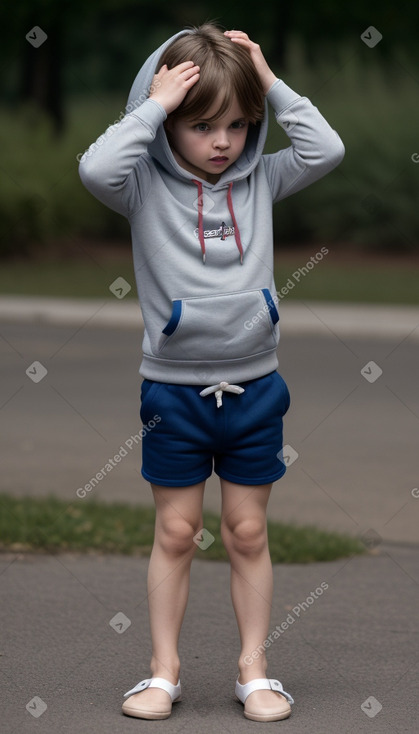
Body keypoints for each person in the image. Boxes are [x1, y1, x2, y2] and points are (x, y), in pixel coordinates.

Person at [79, 22, 344, 723]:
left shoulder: (260, 177)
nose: (221, 141)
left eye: (235, 123)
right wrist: (154, 106)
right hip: (173, 391)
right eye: (199, 125)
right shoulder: (140, 188)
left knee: (247, 533)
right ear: (168, 119)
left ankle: (253, 670)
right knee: (175, 531)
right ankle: (162, 672)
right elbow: (94, 170)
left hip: (255, 388)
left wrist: (266, 77)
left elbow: (326, 148)